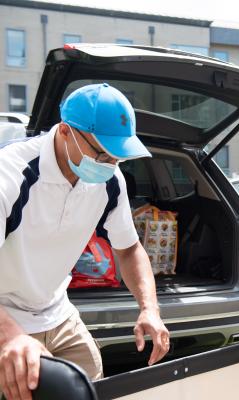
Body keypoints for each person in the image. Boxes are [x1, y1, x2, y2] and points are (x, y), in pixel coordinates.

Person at [0, 83, 170, 400]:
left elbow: (129, 248)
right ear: (65, 131)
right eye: (102, 152)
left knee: (92, 388)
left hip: (57, 310)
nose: (111, 164)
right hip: (6, 316)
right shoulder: (10, 174)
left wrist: (149, 309)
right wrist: (10, 336)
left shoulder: (109, 179)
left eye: (119, 156)